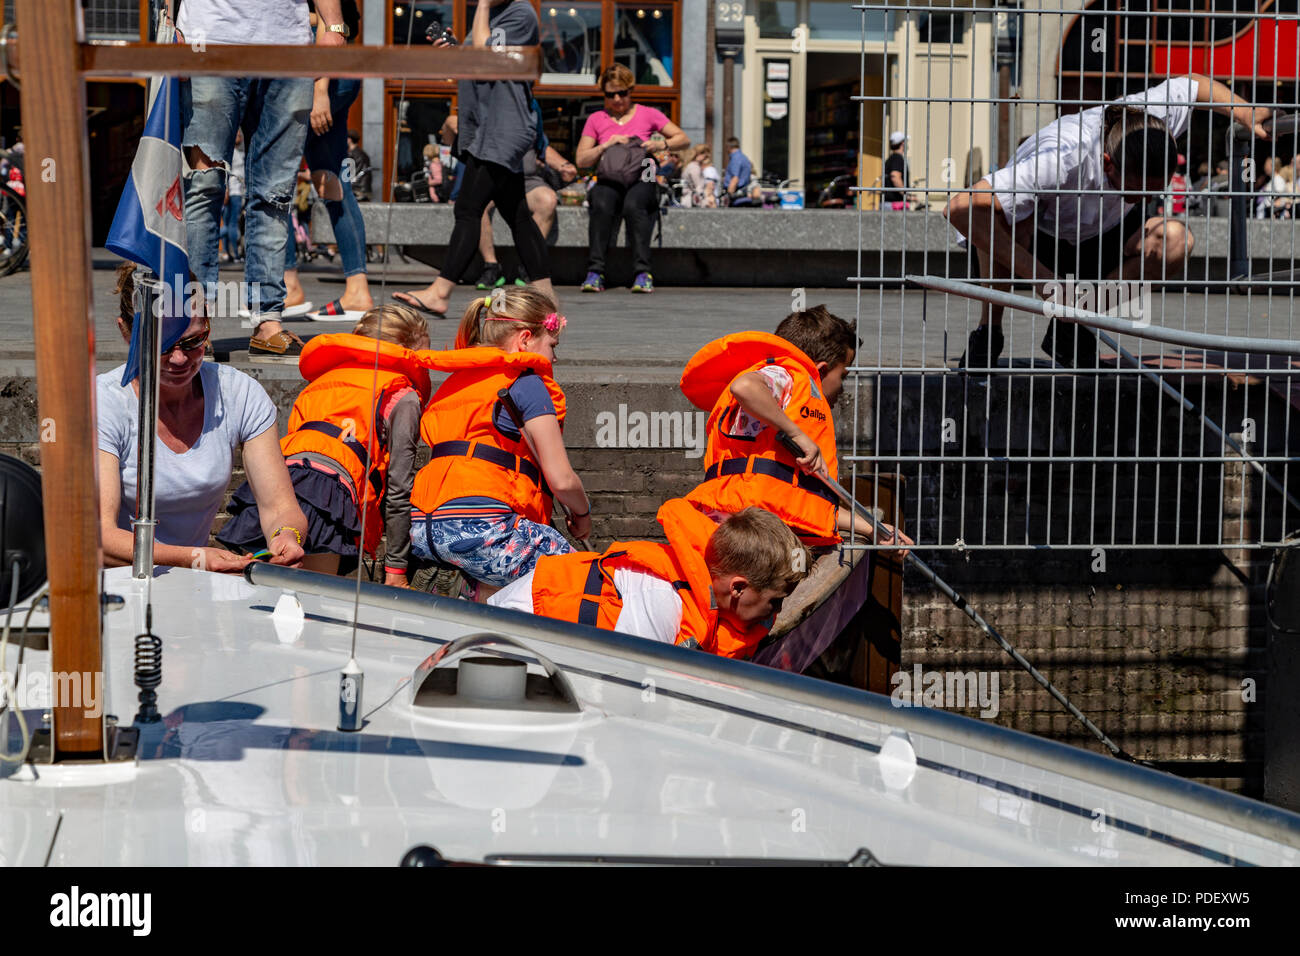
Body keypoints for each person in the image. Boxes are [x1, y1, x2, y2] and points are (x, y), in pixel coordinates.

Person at [943, 74, 1270, 373]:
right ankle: (989, 331)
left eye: (1153, 191)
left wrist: (1246, 113)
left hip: (1102, 235)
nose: (1144, 199)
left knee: (1174, 239)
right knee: (996, 212)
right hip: (1040, 235)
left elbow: (1195, 84)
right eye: (1135, 190)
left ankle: (1076, 322)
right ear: (1107, 163)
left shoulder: (1152, 118)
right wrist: (1046, 282)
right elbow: (960, 208)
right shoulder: (1062, 156)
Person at [98, 263, 307, 571]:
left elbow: (279, 506)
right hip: (111, 585)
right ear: (126, 333)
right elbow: (99, 537)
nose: (180, 358)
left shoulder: (239, 392)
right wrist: (192, 557)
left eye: (194, 341)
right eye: (164, 345)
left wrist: (285, 536)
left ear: (208, 323)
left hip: (192, 580)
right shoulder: (104, 402)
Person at [178, 0, 347, 361]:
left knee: (275, 194)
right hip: (209, 40)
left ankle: (268, 320)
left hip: (288, 47)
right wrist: (167, 23)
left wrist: (333, 25)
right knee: (204, 187)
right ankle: (193, 321)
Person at [216, 306, 430, 581]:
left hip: (274, 485)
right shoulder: (403, 396)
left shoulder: (321, 382)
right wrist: (396, 570)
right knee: (311, 604)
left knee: (258, 597)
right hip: (328, 497)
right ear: (406, 353)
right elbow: (399, 491)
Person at [409, 287, 591, 602]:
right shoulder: (527, 383)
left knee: (511, 583)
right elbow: (561, 479)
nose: (555, 357)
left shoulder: (456, 381)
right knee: (582, 581)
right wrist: (583, 514)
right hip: (483, 528)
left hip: (423, 528)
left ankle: (477, 592)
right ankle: (475, 590)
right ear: (524, 340)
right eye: (552, 345)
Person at [680, 305, 909, 551]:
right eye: (843, 376)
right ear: (821, 370)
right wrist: (797, 433)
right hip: (744, 536)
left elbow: (801, 505)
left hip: (752, 527)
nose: (843, 388)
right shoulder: (785, 376)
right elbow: (744, 386)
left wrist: (875, 529)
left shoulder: (785, 397)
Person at [392, 0, 554, 321]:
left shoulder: (521, 14)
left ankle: (440, 292)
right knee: (518, 214)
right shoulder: (488, 17)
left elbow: (484, 58)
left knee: (467, 208)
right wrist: (452, 53)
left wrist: (479, 7)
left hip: (503, 129)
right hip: (485, 130)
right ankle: (547, 296)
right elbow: (471, 71)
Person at [490, 503, 810, 659]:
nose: (776, 614)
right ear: (738, 587)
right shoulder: (662, 601)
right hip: (508, 641)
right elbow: (629, 685)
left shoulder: (700, 598)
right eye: (775, 601)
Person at [282, 3, 374, 323]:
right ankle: (357, 291)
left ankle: (287, 286)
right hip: (338, 69)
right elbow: (346, 23)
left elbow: (333, 22)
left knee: (272, 174)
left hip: (321, 68)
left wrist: (319, 87)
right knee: (330, 181)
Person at [576, 64, 690, 294]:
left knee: (635, 205)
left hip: (643, 175)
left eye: (622, 93)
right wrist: (605, 145)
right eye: (610, 94)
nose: (617, 99)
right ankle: (595, 272)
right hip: (610, 177)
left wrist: (660, 144)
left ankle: (642, 272)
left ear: (631, 91)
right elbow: (581, 159)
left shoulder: (648, 114)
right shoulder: (596, 119)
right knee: (601, 203)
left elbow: (684, 139)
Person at [474, 99, 578, 290]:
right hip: (495, 178)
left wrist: (563, 165)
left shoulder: (532, 106)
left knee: (548, 200)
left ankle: (528, 267)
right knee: (477, 204)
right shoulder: (489, 104)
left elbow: (541, 145)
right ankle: (491, 267)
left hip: (528, 180)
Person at [219, 131, 245, 264]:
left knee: (229, 223)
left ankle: (227, 252)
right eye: (237, 134)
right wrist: (227, 189)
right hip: (233, 192)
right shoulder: (232, 153)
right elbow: (227, 172)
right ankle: (234, 253)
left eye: (240, 135)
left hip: (234, 191)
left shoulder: (238, 152)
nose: (239, 137)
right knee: (232, 223)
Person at [680, 144, 714, 208]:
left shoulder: (690, 165)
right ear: (700, 154)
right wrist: (705, 202)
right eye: (706, 156)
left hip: (688, 200)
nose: (707, 158)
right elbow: (698, 187)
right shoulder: (695, 167)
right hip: (693, 202)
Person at [883, 131, 910, 210]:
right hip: (895, 204)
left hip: (889, 203)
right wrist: (906, 195)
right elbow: (895, 176)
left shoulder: (890, 159)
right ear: (902, 143)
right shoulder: (898, 158)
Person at [723, 136, 753, 205]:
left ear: (728, 147)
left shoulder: (735, 158)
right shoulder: (743, 157)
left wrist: (729, 196)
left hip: (736, 195)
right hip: (742, 193)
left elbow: (735, 179)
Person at [347, 129, 372, 202]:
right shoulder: (363, 153)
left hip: (357, 190)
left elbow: (350, 174)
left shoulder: (352, 155)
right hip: (364, 189)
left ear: (349, 139)